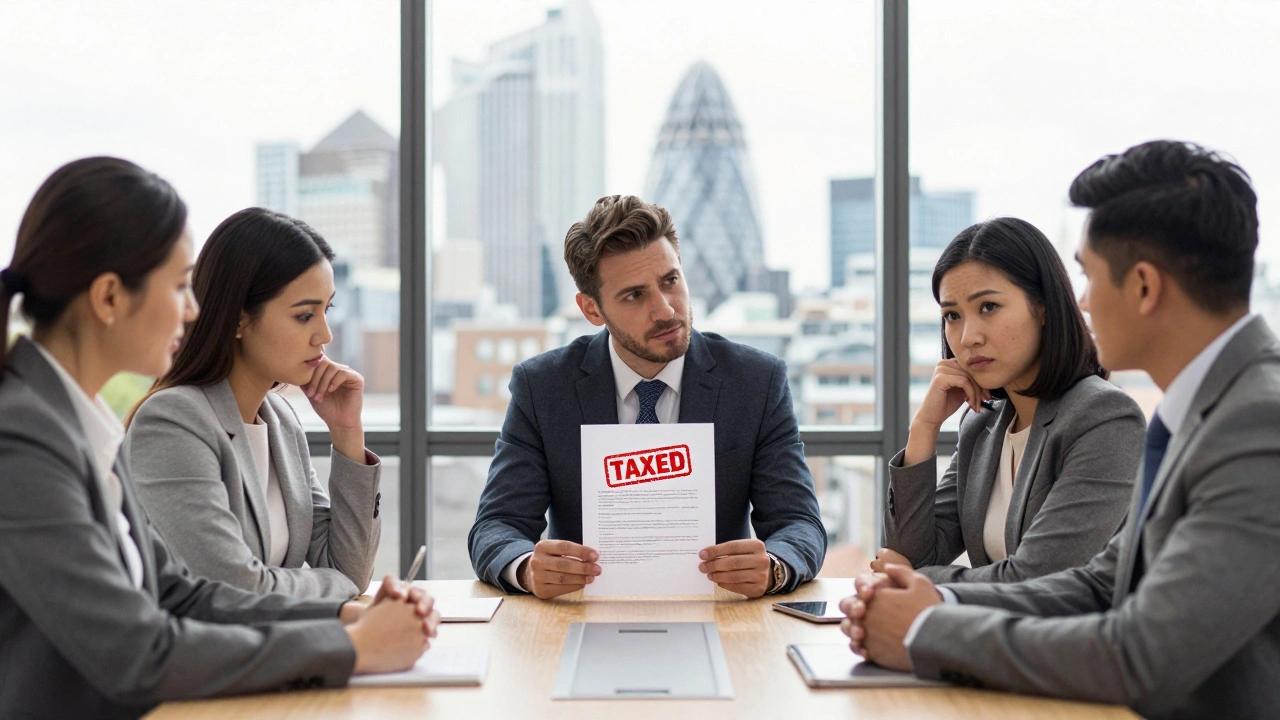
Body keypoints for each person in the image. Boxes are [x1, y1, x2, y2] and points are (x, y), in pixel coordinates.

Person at [841, 140, 1280, 719]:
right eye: (953, 315)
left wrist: (928, 631)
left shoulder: (1257, 423)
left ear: (1145, 287)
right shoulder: (1205, 409)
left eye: (1090, 278)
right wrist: (940, 598)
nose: (1085, 303)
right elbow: (1102, 584)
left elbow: (1139, 654)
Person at [0, 157, 438, 720]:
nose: (192, 309)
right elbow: (139, 652)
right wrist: (352, 648)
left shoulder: (76, 426)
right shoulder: (23, 439)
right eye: (180, 286)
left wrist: (343, 618)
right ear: (109, 298)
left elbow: (182, 595)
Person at [468, 195, 826, 599]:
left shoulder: (756, 382)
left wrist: (774, 568)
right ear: (591, 309)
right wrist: (527, 569)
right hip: (582, 617)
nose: (665, 310)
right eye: (635, 295)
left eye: (670, 281)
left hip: (723, 616)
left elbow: (800, 524)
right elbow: (495, 526)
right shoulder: (544, 388)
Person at [127, 208, 380, 600]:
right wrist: (337, 589)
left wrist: (347, 432)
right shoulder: (172, 422)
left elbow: (350, 569)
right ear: (240, 319)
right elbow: (233, 587)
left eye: (326, 311)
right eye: (304, 315)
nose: (324, 335)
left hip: (279, 651)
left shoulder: (280, 421)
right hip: (205, 658)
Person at [875, 217, 1144, 583]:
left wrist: (921, 580)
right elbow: (909, 554)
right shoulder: (983, 424)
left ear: (1043, 307)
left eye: (988, 307)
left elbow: (1039, 578)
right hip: (989, 637)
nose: (968, 337)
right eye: (952, 315)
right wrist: (924, 427)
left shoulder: (1103, 417)